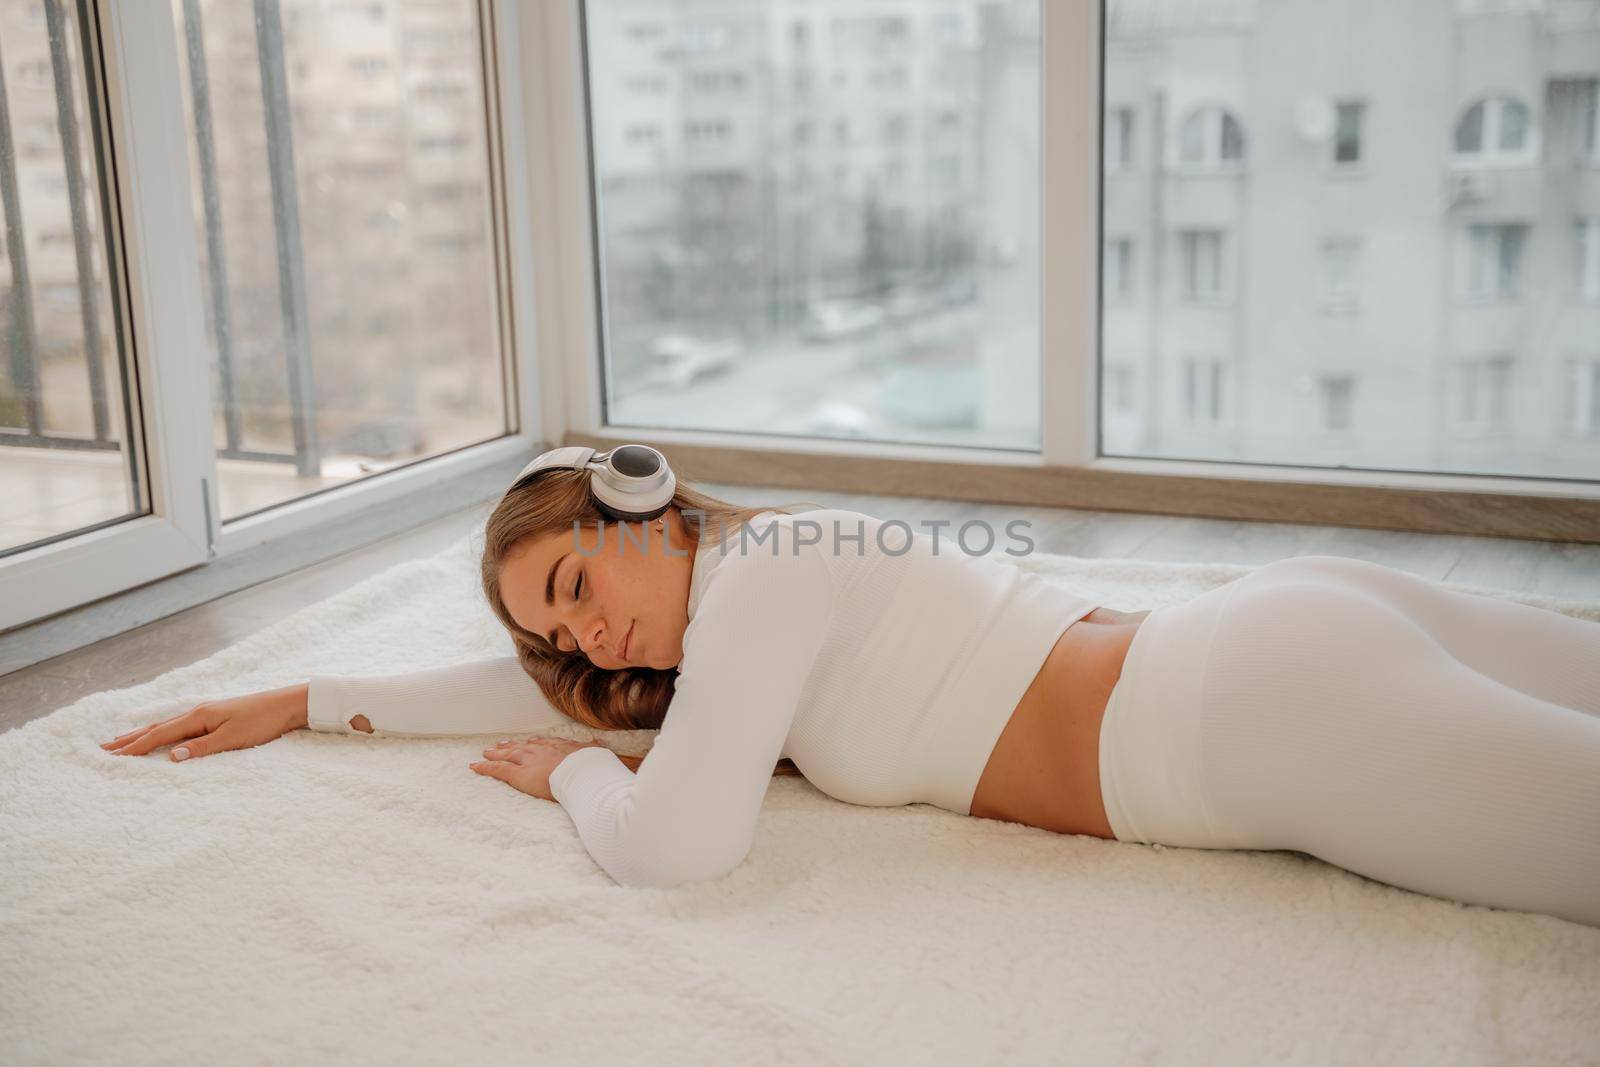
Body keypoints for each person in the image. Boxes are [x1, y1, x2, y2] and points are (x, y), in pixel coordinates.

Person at [101, 445, 1600, 926]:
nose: (589, 646)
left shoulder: (762, 581)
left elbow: (678, 847)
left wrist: (575, 780)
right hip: (1273, 638)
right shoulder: (769, 579)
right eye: (556, 641)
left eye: (575, 589)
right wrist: (310, 701)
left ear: (644, 506)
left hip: (1251, 721)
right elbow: (510, 689)